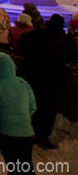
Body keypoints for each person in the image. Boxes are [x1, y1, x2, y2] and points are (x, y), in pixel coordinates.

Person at [16, 13, 77, 149]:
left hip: (31, 76)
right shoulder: (65, 40)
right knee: (47, 110)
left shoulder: (34, 35)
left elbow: (20, 45)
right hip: (52, 80)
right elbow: (72, 56)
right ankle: (42, 136)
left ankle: (26, 132)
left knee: (30, 105)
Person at [0, 52, 37, 175]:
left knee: (14, 167)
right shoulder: (23, 83)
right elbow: (32, 107)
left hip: (6, 132)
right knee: (25, 164)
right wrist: (21, 118)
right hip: (27, 132)